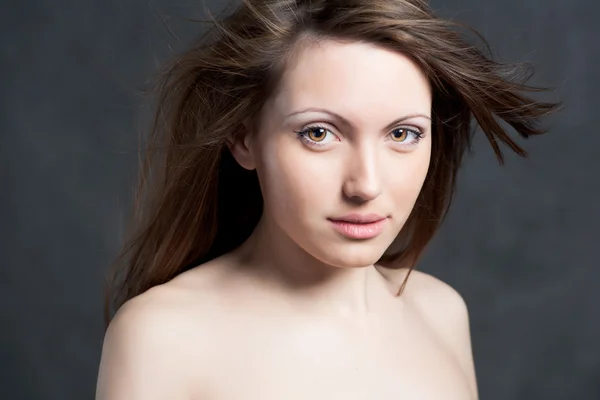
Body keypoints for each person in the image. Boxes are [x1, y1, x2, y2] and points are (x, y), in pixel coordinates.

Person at [95, 0, 560, 398]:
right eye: (319, 133)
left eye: (403, 133)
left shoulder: (441, 313)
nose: (365, 184)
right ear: (243, 137)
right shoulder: (161, 337)